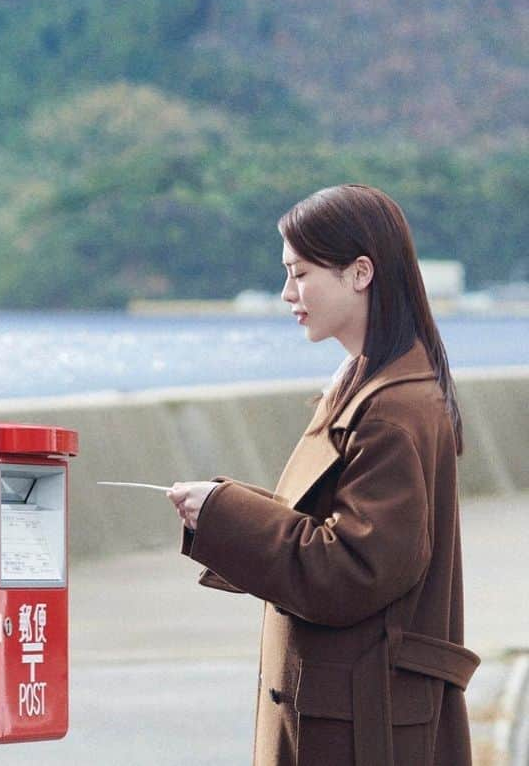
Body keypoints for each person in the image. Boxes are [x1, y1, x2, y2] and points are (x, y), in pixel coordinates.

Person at [167, 184, 478, 766]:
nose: (288, 293)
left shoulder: (389, 408)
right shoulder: (370, 384)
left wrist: (225, 514)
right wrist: (219, 510)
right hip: (352, 712)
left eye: (300, 272)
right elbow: (338, 534)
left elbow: (353, 571)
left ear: (360, 272)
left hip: (360, 726)